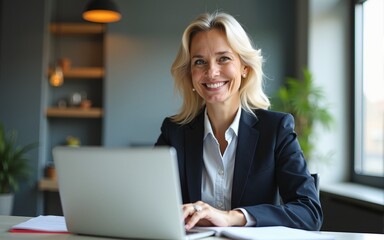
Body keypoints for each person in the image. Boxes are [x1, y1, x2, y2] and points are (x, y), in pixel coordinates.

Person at [155, 11, 323, 231]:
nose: (211, 72)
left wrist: (231, 217)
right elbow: (148, 203)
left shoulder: (276, 129)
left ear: (244, 67)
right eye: (199, 62)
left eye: (223, 58)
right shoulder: (174, 132)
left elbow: (309, 212)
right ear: (190, 74)